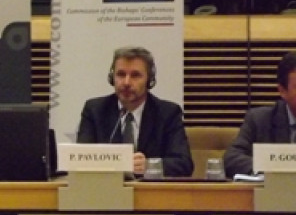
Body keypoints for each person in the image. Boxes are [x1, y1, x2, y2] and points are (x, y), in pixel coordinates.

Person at [76, 46, 194, 177]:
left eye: (135, 75)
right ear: (112, 78)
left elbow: (184, 164)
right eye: (121, 74)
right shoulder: (95, 110)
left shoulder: (167, 113)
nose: (126, 82)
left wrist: (149, 165)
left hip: (150, 189)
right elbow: (80, 160)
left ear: (149, 80)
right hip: (106, 188)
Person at [223, 51, 296, 177]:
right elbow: (232, 159)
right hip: (275, 189)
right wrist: (270, 168)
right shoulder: (259, 120)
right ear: (282, 91)